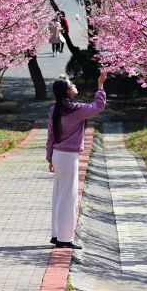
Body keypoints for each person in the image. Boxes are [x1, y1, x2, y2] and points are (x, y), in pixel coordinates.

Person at [46, 72, 107, 249]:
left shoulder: (54, 110)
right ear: (67, 91)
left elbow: (51, 136)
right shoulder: (75, 109)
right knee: (69, 197)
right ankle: (65, 238)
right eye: (71, 84)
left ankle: (57, 234)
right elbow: (98, 106)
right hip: (68, 157)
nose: (74, 85)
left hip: (58, 155)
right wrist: (100, 86)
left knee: (59, 195)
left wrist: (50, 157)